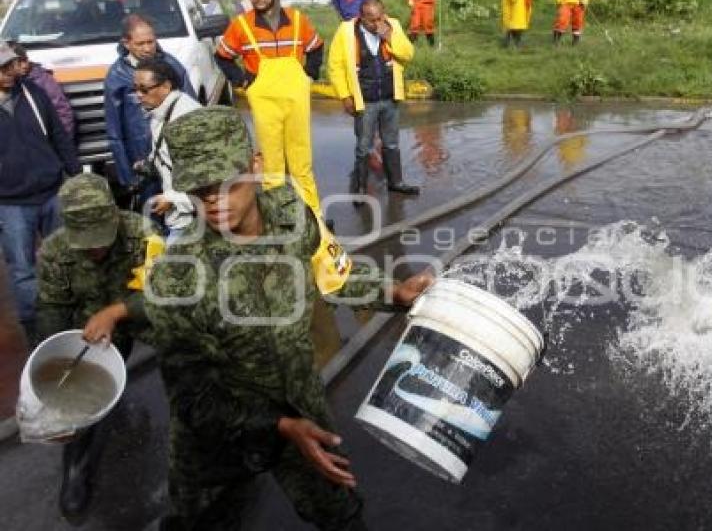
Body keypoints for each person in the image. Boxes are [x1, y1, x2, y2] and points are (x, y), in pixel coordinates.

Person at [146, 106, 433, 529]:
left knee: (341, 514)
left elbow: (329, 275)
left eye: (226, 181)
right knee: (200, 520)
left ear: (256, 165)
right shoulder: (177, 278)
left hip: (299, 408)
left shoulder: (290, 213)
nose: (213, 199)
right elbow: (193, 399)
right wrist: (279, 427)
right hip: (217, 437)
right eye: (199, 189)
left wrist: (393, 290)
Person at [36, 172, 164, 517]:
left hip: (140, 316)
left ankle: (203, 432)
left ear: (115, 215)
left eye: (101, 238)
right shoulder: (54, 251)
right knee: (72, 389)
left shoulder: (143, 234)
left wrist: (118, 311)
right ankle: (76, 466)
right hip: (87, 332)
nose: (95, 249)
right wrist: (50, 369)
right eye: (86, 241)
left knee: (190, 340)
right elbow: (51, 308)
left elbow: (167, 293)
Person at [215, 0, 325, 214]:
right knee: (272, 165)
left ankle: (313, 216)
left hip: (296, 98)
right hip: (264, 102)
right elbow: (222, 56)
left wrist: (309, 74)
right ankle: (278, 218)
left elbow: (316, 47)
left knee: (301, 162)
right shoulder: (241, 25)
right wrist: (243, 80)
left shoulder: (297, 19)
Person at [0, 40, 80, 344]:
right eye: (3, 68)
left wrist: (73, 175)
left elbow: (59, 134)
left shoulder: (33, 92)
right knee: (23, 271)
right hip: (10, 203)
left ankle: (69, 322)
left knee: (63, 260)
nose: (10, 71)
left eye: (11, 64)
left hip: (52, 192)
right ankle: (38, 334)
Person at [328, 0, 420, 199]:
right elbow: (335, 66)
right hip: (365, 100)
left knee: (392, 143)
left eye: (380, 18)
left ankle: (396, 182)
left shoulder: (392, 25)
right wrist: (345, 96)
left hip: (389, 98)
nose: (377, 23)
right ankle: (360, 189)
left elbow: (408, 54)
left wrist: (390, 37)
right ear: (361, 17)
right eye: (372, 20)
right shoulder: (346, 31)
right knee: (363, 146)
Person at [104, 14, 195, 202]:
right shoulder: (117, 75)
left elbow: (193, 109)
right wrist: (127, 176)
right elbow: (115, 132)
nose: (147, 48)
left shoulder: (171, 65)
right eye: (140, 43)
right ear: (126, 43)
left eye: (151, 42)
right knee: (151, 213)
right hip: (142, 156)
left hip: (176, 151)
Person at [133, 58, 201, 240]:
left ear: (166, 86)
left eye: (144, 89)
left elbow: (206, 177)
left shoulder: (187, 119)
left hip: (193, 221)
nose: (138, 95)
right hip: (178, 217)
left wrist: (172, 199)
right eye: (135, 89)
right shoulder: (159, 113)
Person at [11, 42, 76, 137]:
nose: (24, 65)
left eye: (25, 59)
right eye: (19, 62)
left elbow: (62, 111)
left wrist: (64, 139)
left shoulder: (42, 79)